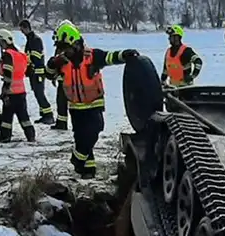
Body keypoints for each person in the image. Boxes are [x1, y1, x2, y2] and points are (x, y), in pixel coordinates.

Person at [46, 21, 137, 177]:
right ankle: (88, 170)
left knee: (93, 133)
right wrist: (52, 63)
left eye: (65, 48)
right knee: (82, 138)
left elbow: (110, 57)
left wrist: (125, 55)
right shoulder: (62, 62)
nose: (63, 52)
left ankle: (77, 160)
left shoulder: (92, 56)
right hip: (75, 108)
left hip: (94, 105)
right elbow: (48, 74)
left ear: (75, 44)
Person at [0, 29, 35, 143]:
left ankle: (5, 136)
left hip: (11, 91)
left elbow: (7, 73)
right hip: (21, 90)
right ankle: (30, 135)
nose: (0, 44)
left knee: (7, 116)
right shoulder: (21, 54)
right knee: (23, 116)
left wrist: (5, 90)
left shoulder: (8, 55)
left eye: (0, 42)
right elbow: (29, 70)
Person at [18, 19, 54, 125]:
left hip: (37, 72)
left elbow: (36, 57)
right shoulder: (30, 40)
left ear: (26, 28)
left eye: (22, 30)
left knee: (39, 94)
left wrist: (29, 63)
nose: (22, 32)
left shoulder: (35, 40)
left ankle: (49, 115)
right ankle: (44, 115)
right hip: (33, 72)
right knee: (37, 93)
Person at [47, 26, 69, 130]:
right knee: (61, 102)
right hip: (62, 79)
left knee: (62, 102)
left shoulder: (66, 48)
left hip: (66, 80)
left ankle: (62, 123)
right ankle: (61, 122)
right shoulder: (61, 47)